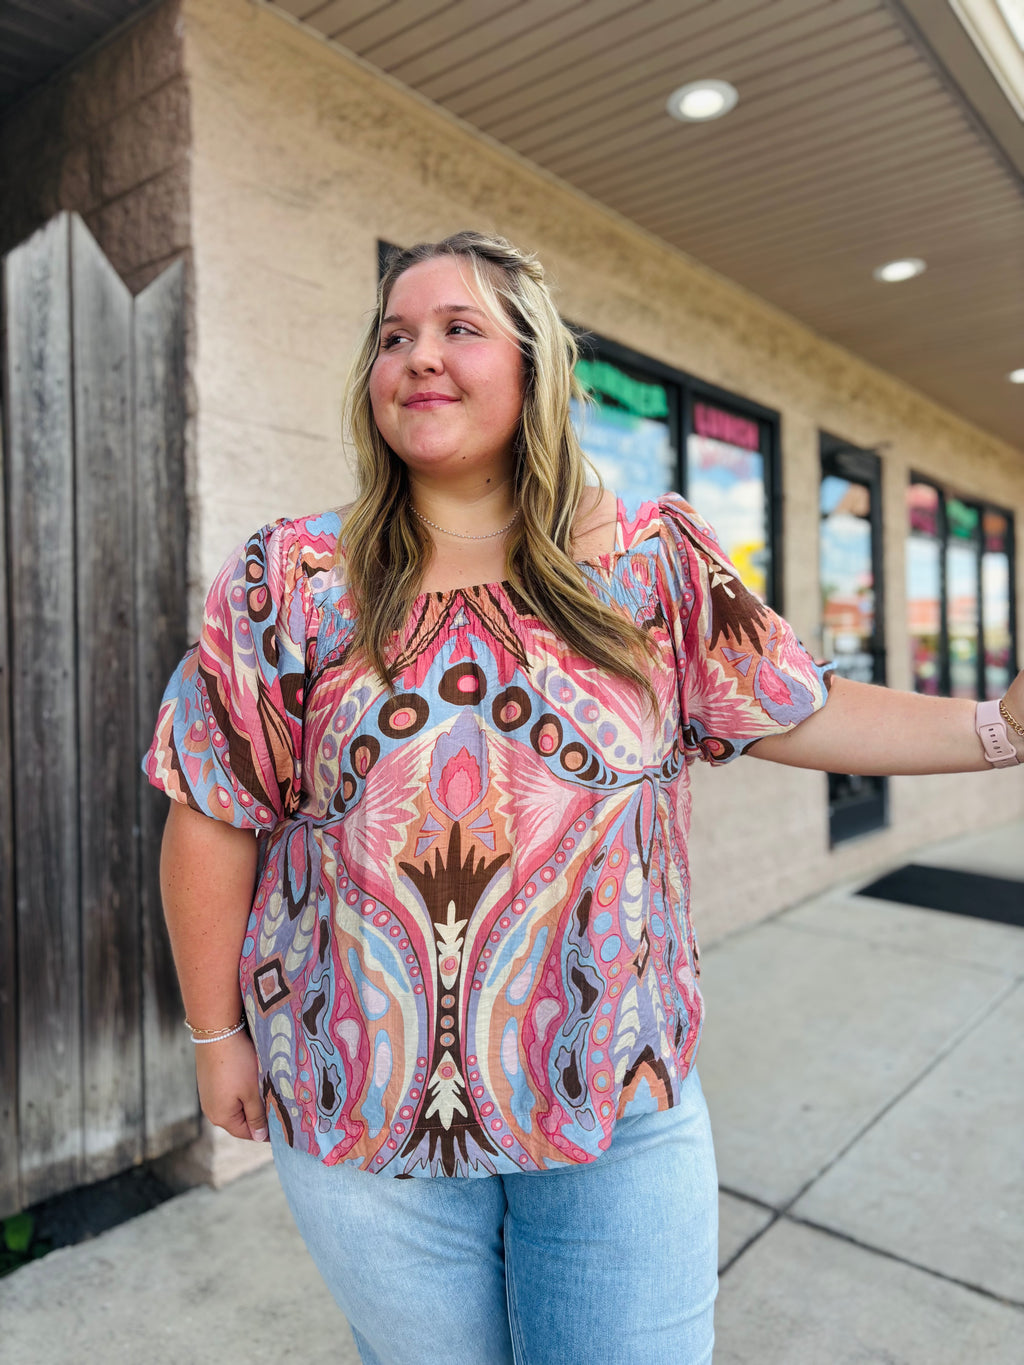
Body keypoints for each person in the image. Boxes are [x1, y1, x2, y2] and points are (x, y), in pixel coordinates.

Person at [146, 230, 1024, 1365]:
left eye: (459, 328)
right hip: (355, 1101)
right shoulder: (292, 579)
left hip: (614, 1092)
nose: (418, 355)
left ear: (535, 368)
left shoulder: (649, 563)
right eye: (393, 336)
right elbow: (212, 806)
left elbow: (794, 706)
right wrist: (216, 1037)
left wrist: (1000, 730)